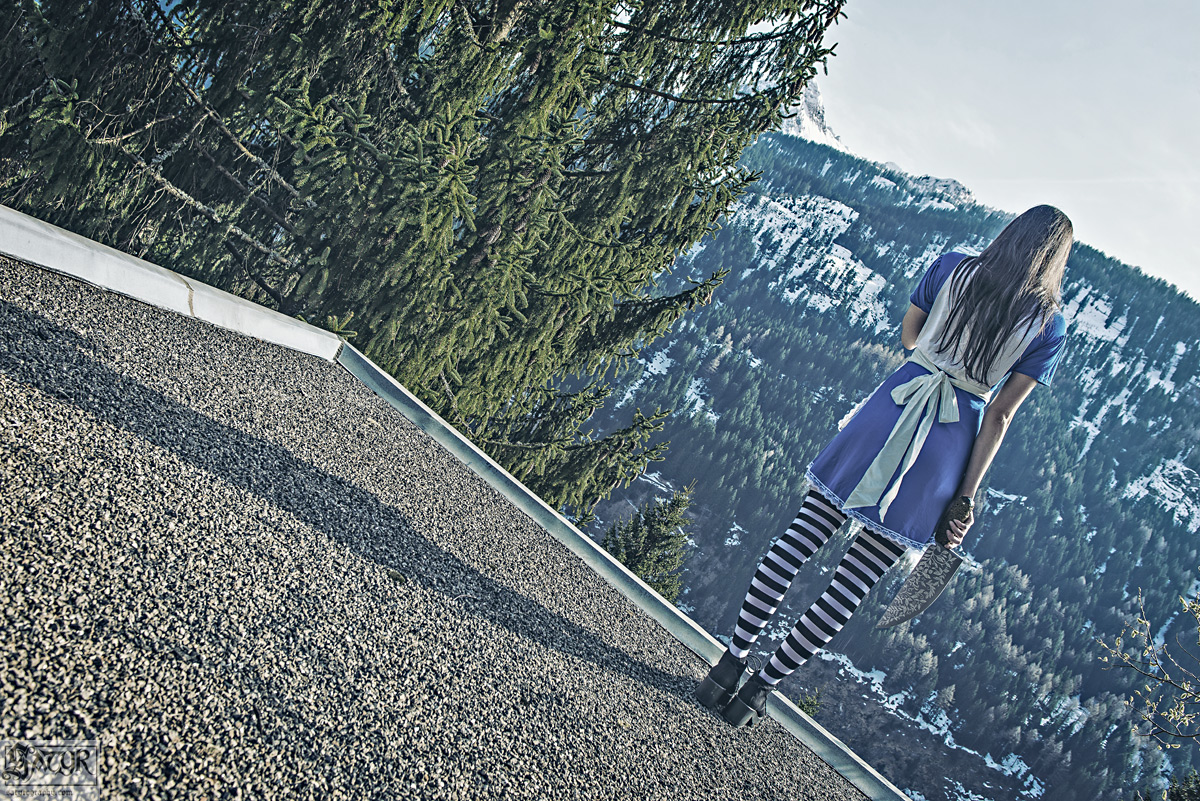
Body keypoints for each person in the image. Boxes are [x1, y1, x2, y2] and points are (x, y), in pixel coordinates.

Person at [697, 205, 1074, 727]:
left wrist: (939, 352)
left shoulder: (952, 266)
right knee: (855, 580)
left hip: (890, 408)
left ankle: (729, 663)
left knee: (800, 538)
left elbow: (909, 337)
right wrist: (965, 498)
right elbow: (1000, 416)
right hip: (946, 443)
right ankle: (760, 689)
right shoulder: (1048, 326)